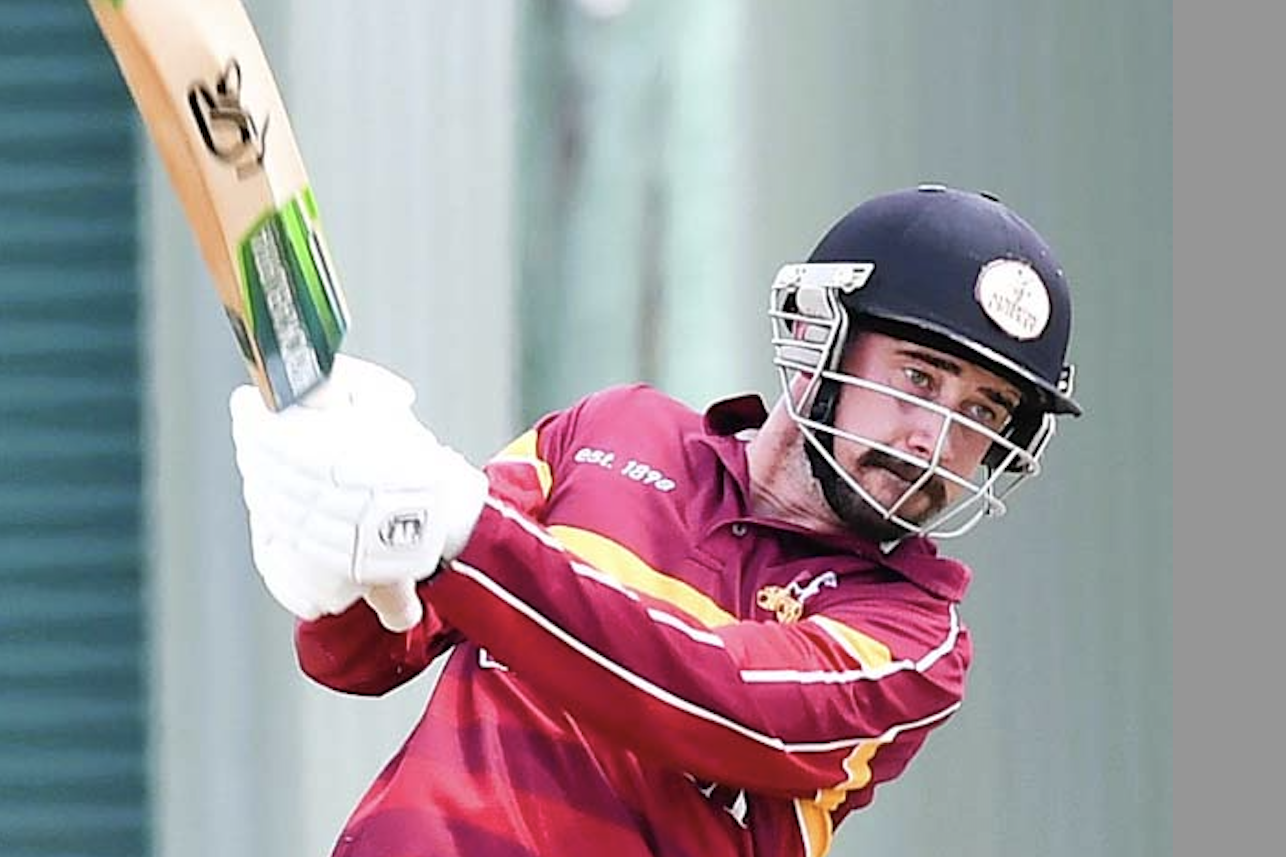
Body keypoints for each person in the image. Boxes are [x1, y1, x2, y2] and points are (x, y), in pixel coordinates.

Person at [229, 183, 1081, 857]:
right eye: (920, 378)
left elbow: (719, 696)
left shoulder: (913, 641)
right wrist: (336, 550)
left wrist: (454, 525)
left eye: (983, 412)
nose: (934, 439)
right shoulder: (613, 429)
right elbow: (372, 652)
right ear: (818, 335)